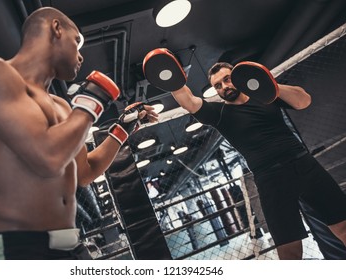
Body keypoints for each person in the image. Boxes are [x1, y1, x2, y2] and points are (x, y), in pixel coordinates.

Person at [0, 7, 158, 260]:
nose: (81, 56)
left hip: (68, 241)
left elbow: (85, 172)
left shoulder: (63, 106)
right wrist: (93, 101)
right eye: (77, 41)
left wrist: (121, 130)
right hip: (15, 246)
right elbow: (47, 158)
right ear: (56, 28)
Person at [143, 49, 346, 259]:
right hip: (271, 180)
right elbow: (189, 101)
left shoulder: (265, 95)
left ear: (238, 78)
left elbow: (304, 101)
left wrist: (268, 84)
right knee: (290, 253)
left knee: (343, 228)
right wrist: (171, 76)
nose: (224, 87)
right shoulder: (219, 113)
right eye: (218, 86)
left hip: (304, 165)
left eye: (227, 79)